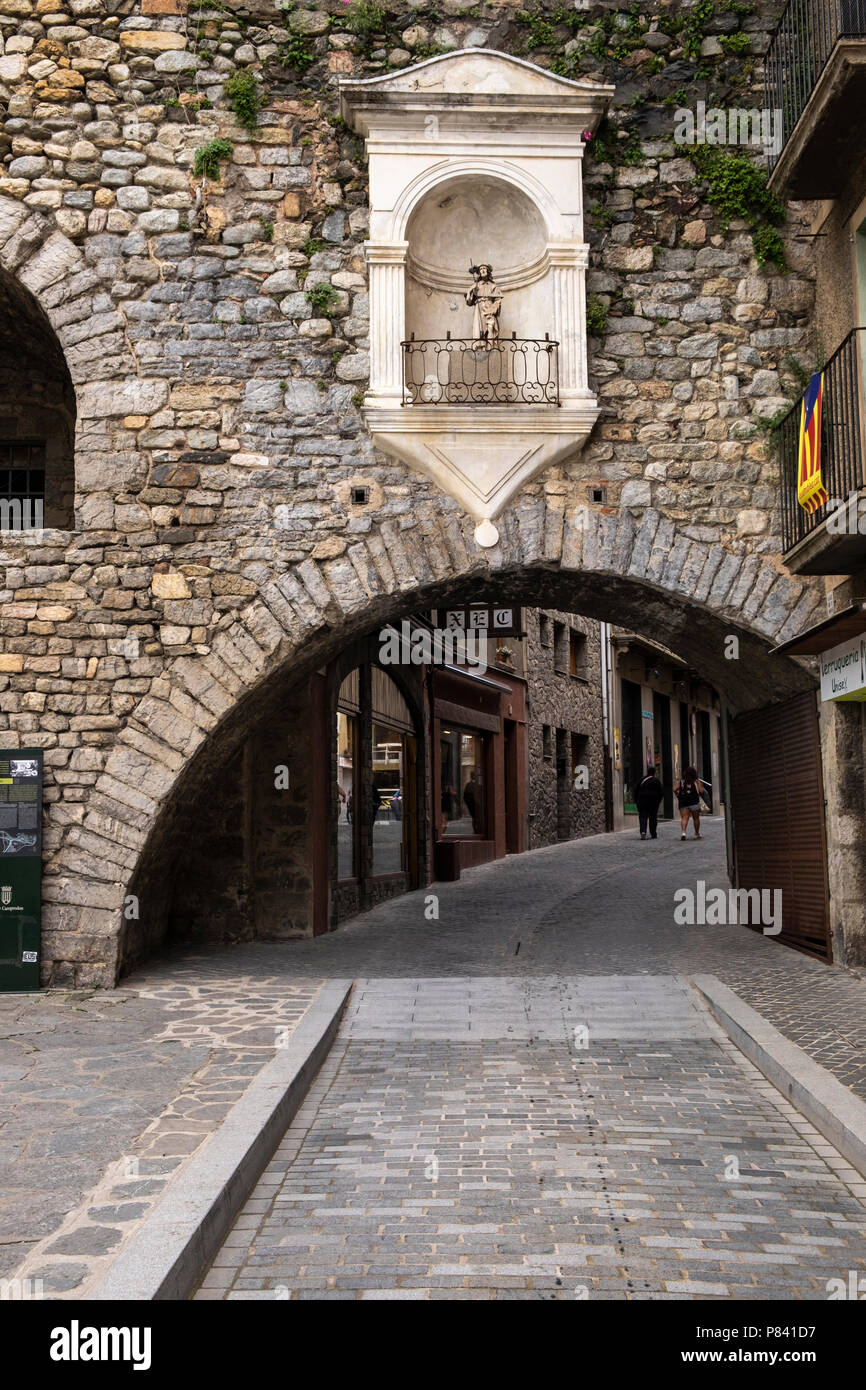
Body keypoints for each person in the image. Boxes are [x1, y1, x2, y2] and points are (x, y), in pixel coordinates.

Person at [674, 765, 708, 840]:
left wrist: (678, 796)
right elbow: (701, 791)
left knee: (684, 818)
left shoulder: (682, 781)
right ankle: (696, 833)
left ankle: (683, 833)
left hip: (683, 802)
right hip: (694, 802)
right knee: (696, 818)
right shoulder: (696, 781)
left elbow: (674, 789)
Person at [634, 765, 664, 840]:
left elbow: (636, 790)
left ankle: (643, 831)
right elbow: (661, 792)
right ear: (654, 772)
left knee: (643, 817)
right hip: (654, 802)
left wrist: (636, 800)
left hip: (642, 800)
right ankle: (653, 833)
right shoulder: (657, 781)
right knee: (653, 817)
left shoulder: (642, 779)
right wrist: (659, 801)